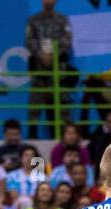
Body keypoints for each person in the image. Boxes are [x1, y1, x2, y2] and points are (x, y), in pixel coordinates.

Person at [25, 0, 77, 139]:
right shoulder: (33, 20)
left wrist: (54, 54)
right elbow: (29, 40)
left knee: (63, 104)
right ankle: (32, 136)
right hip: (39, 69)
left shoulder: (63, 20)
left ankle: (67, 137)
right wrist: (41, 54)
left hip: (59, 69)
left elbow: (67, 40)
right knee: (35, 102)